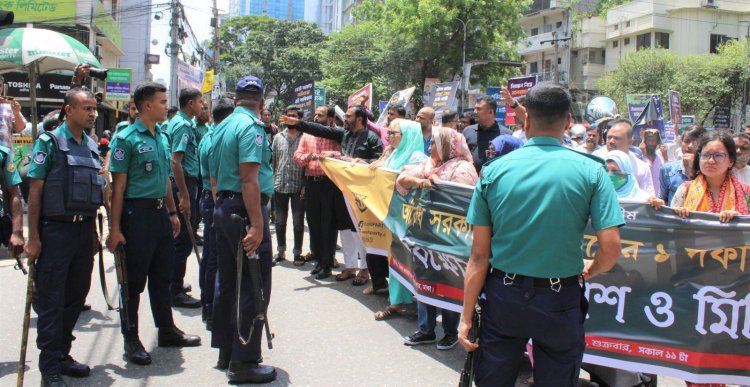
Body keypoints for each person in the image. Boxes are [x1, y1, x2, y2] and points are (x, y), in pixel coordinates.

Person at [458, 83, 623, 386]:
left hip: (504, 297)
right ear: (568, 122)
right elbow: (611, 249)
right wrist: (591, 269)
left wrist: (466, 317)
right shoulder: (593, 171)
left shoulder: (493, 172)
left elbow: (479, 256)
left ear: (527, 120)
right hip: (560, 299)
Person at [107, 82, 201, 366]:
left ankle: (167, 329)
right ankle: (131, 339)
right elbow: (117, 189)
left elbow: (164, 180)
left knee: (162, 277)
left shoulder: (161, 135)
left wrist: (172, 213)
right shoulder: (126, 138)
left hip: (160, 214)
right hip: (137, 216)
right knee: (133, 283)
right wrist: (114, 229)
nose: (165, 107)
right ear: (147, 106)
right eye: (161, 102)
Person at [25, 89, 103, 386]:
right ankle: (49, 369)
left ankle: (62, 354)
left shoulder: (92, 146)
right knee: (52, 301)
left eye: (94, 108)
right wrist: (34, 236)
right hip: (55, 231)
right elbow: (35, 191)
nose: (93, 113)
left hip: (84, 230)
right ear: (68, 110)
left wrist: (95, 235)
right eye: (86, 108)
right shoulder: (50, 142)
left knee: (76, 297)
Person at [210, 75, 277, 383]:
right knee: (253, 285)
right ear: (261, 102)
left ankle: (228, 351)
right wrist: (258, 225)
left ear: (235, 99)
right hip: (245, 209)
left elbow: (213, 177)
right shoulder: (251, 128)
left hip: (225, 207)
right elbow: (249, 178)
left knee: (228, 282)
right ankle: (245, 362)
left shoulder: (221, 126)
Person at [395, 127, 479, 350]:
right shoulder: (431, 164)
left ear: (446, 146)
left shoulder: (463, 168)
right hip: (425, 234)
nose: (429, 147)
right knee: (425, 279)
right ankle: (426, 330)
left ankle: (450, 332)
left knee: (448, 281)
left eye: (434, 143)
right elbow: (402, 179)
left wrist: (436, 182)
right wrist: (421, 181)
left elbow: (462, 198)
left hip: (450, 239)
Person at [281, 104, 383, 279]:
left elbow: (379, 162)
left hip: (362, 193)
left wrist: (355, 161)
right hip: (342, 190)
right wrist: (299, 123)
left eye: (348, 116)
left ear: (359, 119)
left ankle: (365, 270)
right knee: (344, 228)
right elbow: (319, 130)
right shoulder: (344, 134)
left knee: (360, 230)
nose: (344, 119)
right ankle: (350, 267)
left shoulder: (372, 138)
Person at [652, 131, 750, 222]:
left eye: (718, 155)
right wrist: (677, 214)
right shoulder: (685, 190)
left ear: (731, 161)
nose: (711, 161)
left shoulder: (745, 192)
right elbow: (671, 227)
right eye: (705, 155)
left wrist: (740, 220)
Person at [291, 105, 344, 276]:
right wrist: (309, 156)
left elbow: (345, 156)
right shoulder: (307, 135)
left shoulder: (338, 135)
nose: (316, 118)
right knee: (314, 224)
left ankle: (328, 264)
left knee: (328, 225)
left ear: (331, 118)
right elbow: (297, 158)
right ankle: (320, 261)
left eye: (320, 115)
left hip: (330, 184)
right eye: (315, 114)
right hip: (312, 184)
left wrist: (331, 155)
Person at [197, 98, 235, 331]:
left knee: (212, 256)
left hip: (212, 201)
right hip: (214, 201)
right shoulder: (214, 140)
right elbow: (213, 181)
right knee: (214, 259)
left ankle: (209, 305)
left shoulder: (212, 135)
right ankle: (211, 308)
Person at [167, 87, 204, 308]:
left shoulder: (184, 123)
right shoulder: (182, 125)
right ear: (191, 103)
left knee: (181, 238)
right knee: (181, 240)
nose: (201, 106)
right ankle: (175, 289)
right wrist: (184, 195)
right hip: (183, 184)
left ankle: (175, 282)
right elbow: (175, 162)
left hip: (187, 183)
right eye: (200, 102)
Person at [272, 105, 306, 265]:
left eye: (293, 115)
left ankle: (297, 253)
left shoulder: (305, 138)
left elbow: (307, 166)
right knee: (280, 221)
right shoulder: (278, 137)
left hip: (298, 187)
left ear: (299, 118)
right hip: (280, 185)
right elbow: (275, 162)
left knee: (298, 222)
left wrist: (305, 186)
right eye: (287, 115)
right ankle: (281, 250)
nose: (289, 118)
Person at [593, 119, 655, 195]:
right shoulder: (596, 160)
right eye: (609, 137)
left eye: (617, 138)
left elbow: (648, 199)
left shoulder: (641, 167)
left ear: (630, 143)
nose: (611, 141)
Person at [658, 125, 706, 205]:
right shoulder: (667, 169)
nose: (690, 146)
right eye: (687, 141)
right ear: (681, 142)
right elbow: (663, 200)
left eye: (695, 142)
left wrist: (692, 171)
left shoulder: (710, 171)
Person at [463, 95, 513, 172]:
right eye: (475, 108)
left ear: (490, 112)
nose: (475, 112)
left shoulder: (506, 135)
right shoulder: (467, 131)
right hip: (470, 181)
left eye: (479, 109)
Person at [0, 74, 27, 150]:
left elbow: (20, 129)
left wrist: (16, 113)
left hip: (5, 152)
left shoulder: (9, 106)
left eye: (0, 85)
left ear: (3, 87)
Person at [640, 129, 666, 198]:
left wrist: (665, 156)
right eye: (649, 140)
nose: (651, 143)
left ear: (657, 142)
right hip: (644, 198)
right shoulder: (639, 158)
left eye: (653, 140)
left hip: (658, 198)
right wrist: (644, 154)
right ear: (644, 142)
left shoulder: (660, 158)